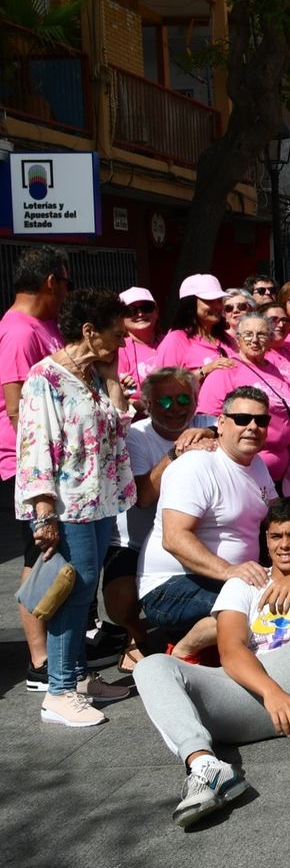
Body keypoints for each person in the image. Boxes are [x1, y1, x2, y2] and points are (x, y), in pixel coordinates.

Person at [133, 497, 290, 827]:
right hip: (249, 694)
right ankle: (206, 767)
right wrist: (271, 693)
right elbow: (231, 650)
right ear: (266, 539)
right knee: (150, 665)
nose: (284, 545)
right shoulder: (245, 583)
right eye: (276, 536)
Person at [18, 288, 135, 724]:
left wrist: (112, 378)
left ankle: (79, 678)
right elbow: (35, 448)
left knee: (84, 591)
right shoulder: (44, 378)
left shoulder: (92, 374)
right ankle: (60, 691)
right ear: (89, 331)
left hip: (99, 500)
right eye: (117, 332)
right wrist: (44, 514)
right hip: (68, 506)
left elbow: (118, 427)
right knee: (73, 590)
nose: (123, 340)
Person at [138, 385, 273, 666]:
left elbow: (276, 515)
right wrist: (229, 571)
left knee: (286, 603)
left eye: (261, 420)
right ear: (220, 423)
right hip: (170, 587)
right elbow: (174, 538)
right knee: (254, 610)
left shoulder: (257, 464)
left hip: (224, 580)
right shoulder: (196, 465)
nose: (252, 427)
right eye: (242, 419)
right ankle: (183, 650)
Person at [109, 368, 213, 672]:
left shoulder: (208, 423)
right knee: (119, 604)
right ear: (148, 405)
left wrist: (209, 433)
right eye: (164, 402)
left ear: (195, 401)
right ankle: (135, 630)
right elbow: (143, 497)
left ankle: (184, 636)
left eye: (183, 399)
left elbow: (235, 431)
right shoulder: (137, 435)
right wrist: (176, 451)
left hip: (192, 536)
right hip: (133, 540)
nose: (175, 408)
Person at [2, 245, 71, 687]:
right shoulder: (17, 330)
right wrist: (41, 469)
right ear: (50, 281)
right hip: (29, 466)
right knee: (39, 555)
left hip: (56, 462)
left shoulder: (44, 325)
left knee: (54, 553)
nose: (67, 293)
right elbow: (16, 409)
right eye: (65, 283)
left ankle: (61, 649)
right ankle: (39, 660)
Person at [197, 313, 290, 488]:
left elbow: (286, 415)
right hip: (246, 471)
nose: (255, 340)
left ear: (270, 339)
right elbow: (206, 418)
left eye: (262, 334)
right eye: (248, 334)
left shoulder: (273, 369)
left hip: (284, 472)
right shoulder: (225, 371)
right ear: (238, 339)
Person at [154, 274, 236, 385]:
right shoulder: (175, 340)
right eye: (210, 301)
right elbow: (162, 384)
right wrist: (204, 370)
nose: (217, 306)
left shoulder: (228, 339)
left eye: (219, 300)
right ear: (190, 304)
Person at [118, 286, 161, 394]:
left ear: (156, 312)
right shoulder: (119, 349)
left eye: (146, 308)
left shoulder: (170, 341)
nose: (140, 314)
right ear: (120, 318)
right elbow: (124, 392)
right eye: (131, 310)